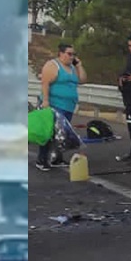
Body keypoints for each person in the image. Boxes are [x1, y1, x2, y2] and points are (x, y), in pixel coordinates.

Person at [36, 42, 86, 171]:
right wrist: (45, 101)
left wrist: (79, 65)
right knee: (49, 132)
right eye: (69, 54)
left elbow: (82, 80)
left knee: (62, 134)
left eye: (73, 54)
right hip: (54, 104)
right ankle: (42, 159)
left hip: (68, 105)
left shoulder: (73, 68)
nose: (71, 57)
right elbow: (45, 83)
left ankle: (57, 157)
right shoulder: (53, 65)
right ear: (61, 54)